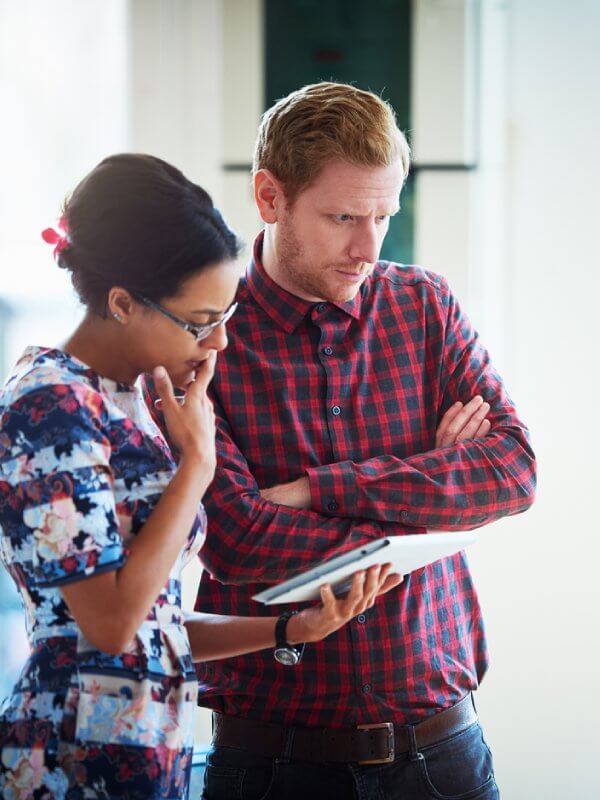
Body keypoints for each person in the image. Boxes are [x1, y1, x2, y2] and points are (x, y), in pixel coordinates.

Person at [0, 154, 401, 800]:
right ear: (124, 303)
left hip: (147, 758)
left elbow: (153, 623)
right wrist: (198, 466)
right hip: (71, 765)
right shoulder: (50, 404)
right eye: (201, 322)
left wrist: (286, 631)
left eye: (226, 318)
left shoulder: (132, 395)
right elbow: (109, 625)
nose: (218, 345)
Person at [189, 83, 537, 799]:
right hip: (270, 762)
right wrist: (434, 488)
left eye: (383, 215)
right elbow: (234, 540)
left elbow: (513, 472)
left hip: (444, 753)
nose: (367, 247)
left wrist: (323, 489)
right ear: (270, 197)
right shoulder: (208, 334)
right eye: (343, 216)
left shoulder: (424, 305)